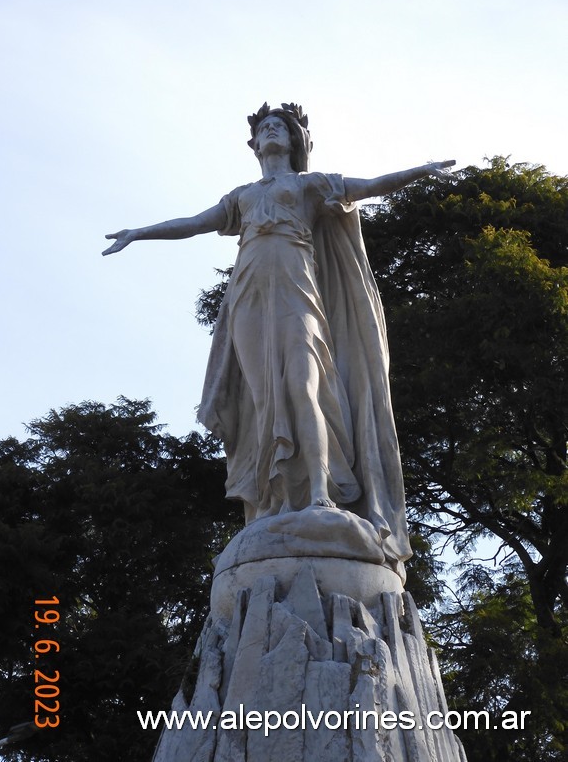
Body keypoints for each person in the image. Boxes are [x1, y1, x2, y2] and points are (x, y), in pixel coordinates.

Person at [104, 102, 454, 570]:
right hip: (250, 298)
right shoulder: (243, 197)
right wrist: (139, 232)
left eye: (279, 127)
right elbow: (193, 223)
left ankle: (319, 496)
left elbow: (368, 187)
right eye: (264, 127)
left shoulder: (308, 186)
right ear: (254, 146)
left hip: (297, 294)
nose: (271, 131)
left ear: (295, 142)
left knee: (302, 386)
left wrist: (420, 171)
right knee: (264, 399)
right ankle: (274, 501)